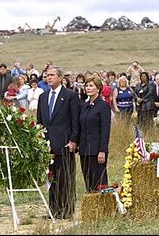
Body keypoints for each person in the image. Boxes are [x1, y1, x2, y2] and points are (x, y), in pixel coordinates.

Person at [37, 66, 80, 220]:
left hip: (65, 144)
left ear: (60, 78)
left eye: (52, 75)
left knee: (66, 178)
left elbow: (75, 121)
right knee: (51, 177)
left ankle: (67, 209)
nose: (49, 78)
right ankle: (53, 209)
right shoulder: (43, 96)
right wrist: (39, 141)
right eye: (47, 75)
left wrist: (74, 140)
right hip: (48, 146)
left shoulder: (70, 95)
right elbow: (40, 122)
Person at [79, 75, 111, 192]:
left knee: (99, 182)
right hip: (84, 150)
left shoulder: (103, 106)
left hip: (97, 150)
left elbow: (105, 130)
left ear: (98, 88)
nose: (88, 88)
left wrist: (102, 150)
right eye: (86, 86)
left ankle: (102, 207)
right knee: (89, 181)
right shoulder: (83, 106)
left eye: (91, 86)